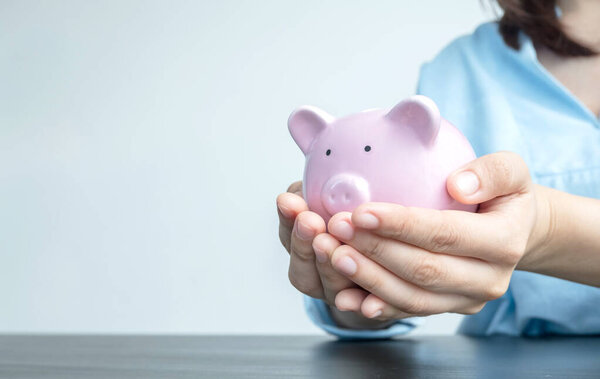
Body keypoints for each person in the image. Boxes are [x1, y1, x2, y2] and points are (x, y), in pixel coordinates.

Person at [276, 0, 600, 339]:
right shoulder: (457, 70)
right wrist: (361, 289)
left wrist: (546, 229)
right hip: (502, 360)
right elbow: (417, 239)